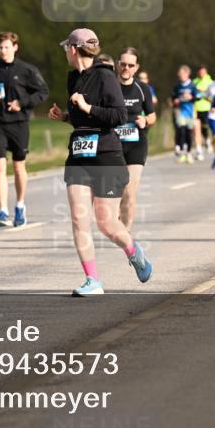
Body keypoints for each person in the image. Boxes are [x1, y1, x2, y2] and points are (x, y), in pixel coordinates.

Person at [47, 28, 152, 296]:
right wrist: (65, 117)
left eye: (66, 49)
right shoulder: (73, 78)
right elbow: (84, 119)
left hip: (106, 155)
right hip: (79, 155)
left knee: (106, 222)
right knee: (79, 218)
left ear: (73, 49)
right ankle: (92, 280)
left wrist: (86, 107)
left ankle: (132, 250)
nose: (66, 53)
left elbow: (118, 116)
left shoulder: (105, 76)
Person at [0, 31, 50, 227]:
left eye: (6, 47)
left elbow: (43, 92)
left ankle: (20, 205)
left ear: (15, 47)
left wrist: (22, 103)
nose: (3, 51)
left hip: (19, 123)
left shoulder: (26, 70)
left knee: (18, 165)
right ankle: (3, 211)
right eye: (0, 47)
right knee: (0, 167)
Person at [116, 47, 157, 232]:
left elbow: (153, 116)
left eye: (130, 65)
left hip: (136, 143)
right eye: (123, 64)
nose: (126, 68)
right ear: (118, 64)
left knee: (129, 189)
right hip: (112, 144)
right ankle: (115, 217)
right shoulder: (109, 86)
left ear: (136, 67)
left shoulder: (143, 88)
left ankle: (126, 232)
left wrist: (145, 120)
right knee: (114, 189)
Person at [172, 65, 196, 164]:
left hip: (190, 112)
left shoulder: (192, 85)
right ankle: (182, 152)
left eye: (181, 73)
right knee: (181, 130)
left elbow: (198, 96)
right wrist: (175, 100)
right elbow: (173, 97)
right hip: (181, 112)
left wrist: (191, 97)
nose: (179, 75)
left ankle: (189, 153)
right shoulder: (177, 86)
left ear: (186, 74)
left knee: (189, 133)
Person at [193, 65, 214, 160]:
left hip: (206, 108)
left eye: (203, 72)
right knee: (197, 128)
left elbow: (213, 96)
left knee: (205, 126)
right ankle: (199, 149)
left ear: (206, 72)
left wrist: (204, 93)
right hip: (196, 108)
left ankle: (207, 139)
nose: (201, 74)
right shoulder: (194, 82)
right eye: (200, 72)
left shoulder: (210, 82)